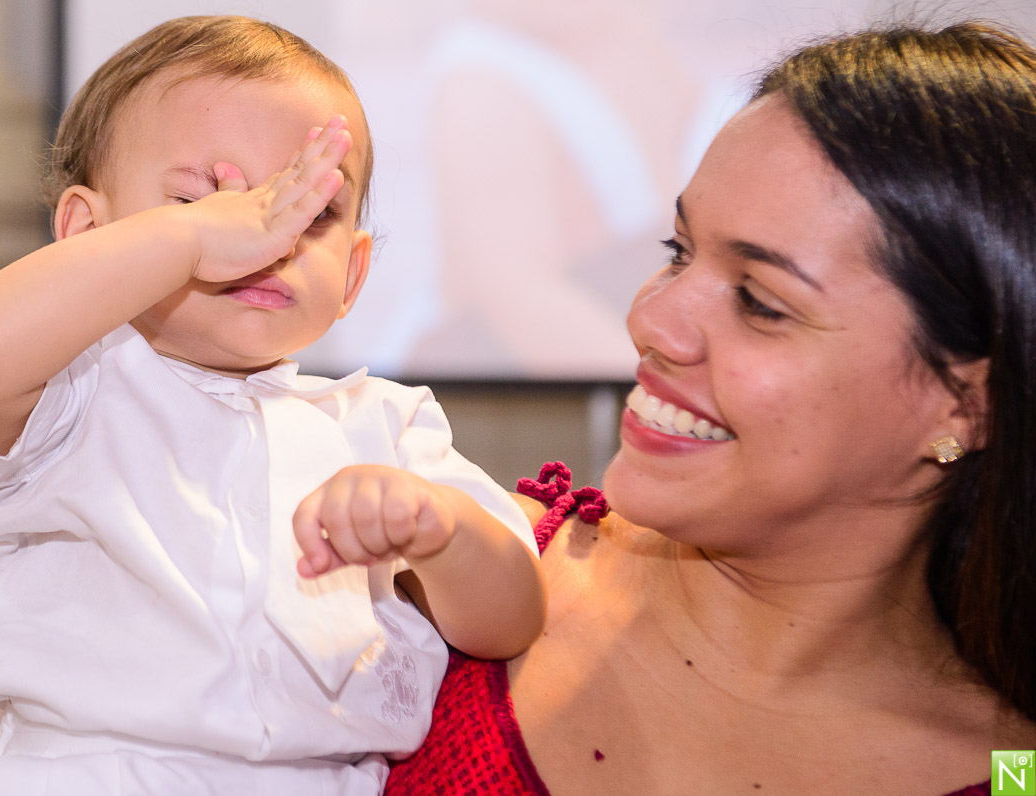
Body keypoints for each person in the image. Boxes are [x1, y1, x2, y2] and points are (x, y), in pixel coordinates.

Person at [0, 15, 544, 795]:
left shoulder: (384, 424)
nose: (269, 237)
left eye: (313, 211)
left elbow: (510, 620)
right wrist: (191, 240)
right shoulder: (71, 392)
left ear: (353, 275)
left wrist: (440, 529)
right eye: (202, 198)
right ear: (88, 235)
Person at [387, 20, 1036, 795]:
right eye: (678, 251)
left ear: (966, 406)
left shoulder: (1012, 773)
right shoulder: (447, 582)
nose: (649, 320)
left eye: (760, 302)